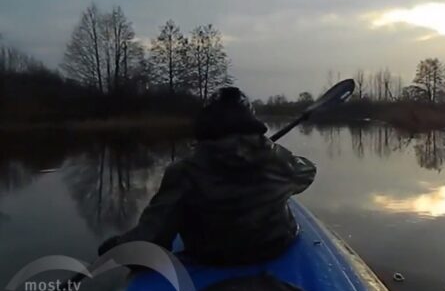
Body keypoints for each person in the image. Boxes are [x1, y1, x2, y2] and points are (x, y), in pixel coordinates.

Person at [98, 87, 317, 265]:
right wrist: (270, 152)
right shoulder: (277, 159)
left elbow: (152, 240)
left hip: (213, 257)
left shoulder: (183, 172)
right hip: (275, 248)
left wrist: (117, 247)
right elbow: (307, 172)